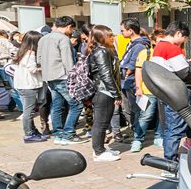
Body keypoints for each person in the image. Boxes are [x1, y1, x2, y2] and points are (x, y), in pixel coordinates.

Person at [151, 22, 191, 161]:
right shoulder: (172, 49)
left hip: (165, 92)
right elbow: (183, 72)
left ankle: (169, 158)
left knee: (170, 127)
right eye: (185, 38)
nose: (184, 41)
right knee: (175, 128)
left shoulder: (159, 47)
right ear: (178, 34)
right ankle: (170, 161)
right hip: (175, 93)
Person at [38, 16, 83, 144]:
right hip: (62, 76)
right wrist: (74, 78)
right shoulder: (63, 39)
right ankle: (68, 133)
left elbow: (39, 58)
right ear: (69, 26)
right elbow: (68, 61)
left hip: (48, 77)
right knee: (77, 105)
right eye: (72, 28)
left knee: (57, 105)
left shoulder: (43, 38)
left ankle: (58, 134)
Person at [86, 25, 121, 162]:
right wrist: (116, 94)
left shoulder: (103, 50)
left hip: (104, 91)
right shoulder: (101, 52)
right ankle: (98, 152)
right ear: (102, 38)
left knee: (103, 121)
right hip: (103, 91)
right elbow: (106, 75)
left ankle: (101, 148)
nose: (113, 38)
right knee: (101, 122)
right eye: (110, 36)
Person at [118, 20, 151, 152]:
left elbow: (133, 65)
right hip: (127, 82)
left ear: (130, 30)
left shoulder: (139, 46)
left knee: (136, 110)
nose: (121, 33)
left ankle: (138, 136)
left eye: (122, 30)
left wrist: (125, 72)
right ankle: (135, 132)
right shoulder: (132, 44)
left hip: (132, 82)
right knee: (130, 110)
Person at [12, 31, 46, 143]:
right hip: (28, 85)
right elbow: (32, 69)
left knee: (28, 110)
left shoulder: (22, 51)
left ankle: (32, 130)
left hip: (21, 85)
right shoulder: (30, 53)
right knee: (29, 112)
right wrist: (44, 68)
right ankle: (29, 134)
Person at [133, 28, 160, 151]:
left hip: (164, 91)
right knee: (146, 116)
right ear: (153, 41)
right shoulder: (146, 53)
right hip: (148, 90)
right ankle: (138, 139)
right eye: (159, 41)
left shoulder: (168, 54)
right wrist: (139, 87)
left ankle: (159, 137)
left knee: (162, 116)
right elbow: (138, 71)